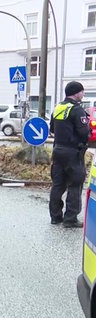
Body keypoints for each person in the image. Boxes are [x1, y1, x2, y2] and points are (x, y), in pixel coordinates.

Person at [49, 81, 90, 228]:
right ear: (77, 92)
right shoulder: (77, 110)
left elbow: (52, 128)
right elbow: (84, 132)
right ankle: (70, 219)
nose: (83, 94)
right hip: (73, 152)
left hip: (57, 150)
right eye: (82, 92)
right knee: (75, 184)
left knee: (58, 185)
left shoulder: (58, 107)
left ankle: (55, 217)